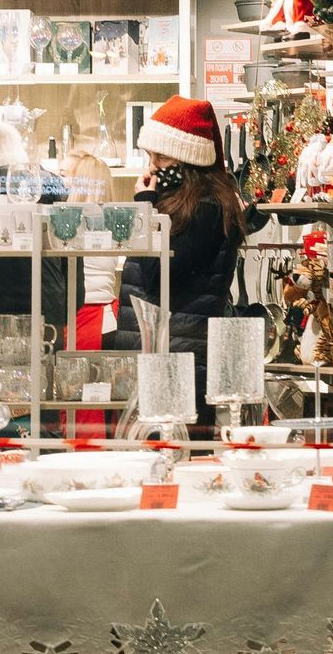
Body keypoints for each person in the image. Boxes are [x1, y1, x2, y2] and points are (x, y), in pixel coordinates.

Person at [102, 96, 247, 422]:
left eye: (162, 157)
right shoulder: (179, 206)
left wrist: (145, 206)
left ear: (189, 160)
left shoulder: (208, 210)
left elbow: (159, 275)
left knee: (172, 448)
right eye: (150, 156)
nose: (152, 166)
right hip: (157, 355)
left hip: (178, 363)